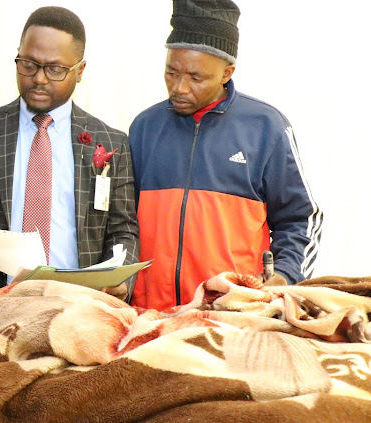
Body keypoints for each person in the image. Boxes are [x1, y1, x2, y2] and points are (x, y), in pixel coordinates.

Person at [0, 6, 140, 300]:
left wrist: (123, 279)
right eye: (28, 64)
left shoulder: (111, 142)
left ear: (79, 71)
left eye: (55, 69)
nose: (39, 78)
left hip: (80, 305)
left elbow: (122, 230)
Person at [128, 0, 323, 311]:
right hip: (150, 312)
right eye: (171, 71)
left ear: (226, 73)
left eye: (196, 77)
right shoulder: (143, 127)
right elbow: (123, 222)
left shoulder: (266, 127)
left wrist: (285, 276)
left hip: (233, 313)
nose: (179, 87)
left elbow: (301, 218)